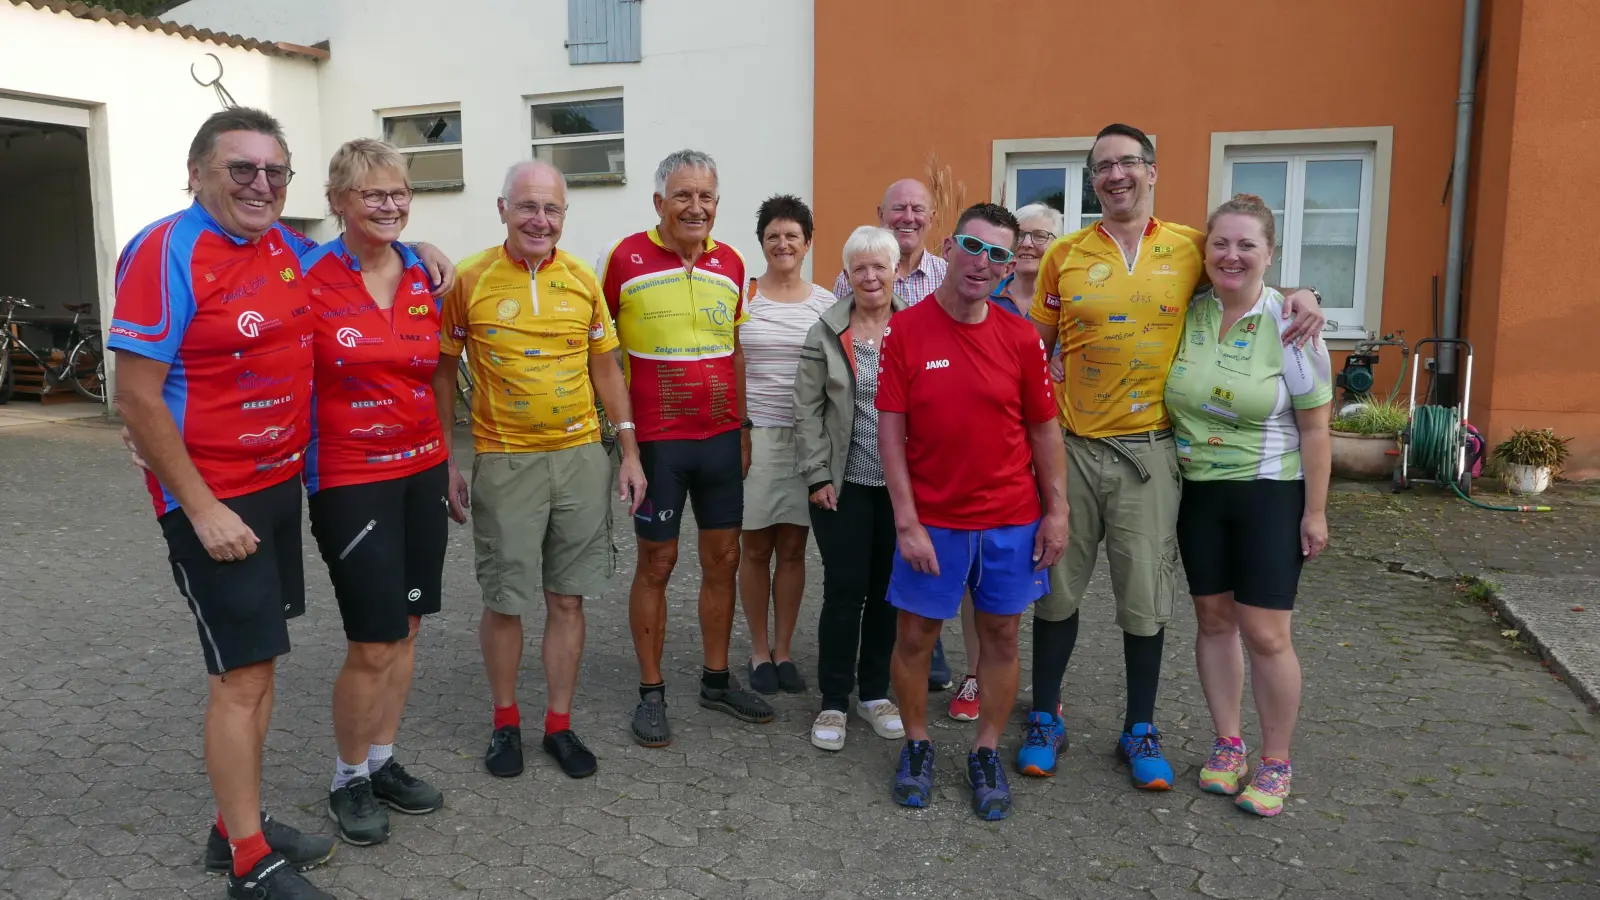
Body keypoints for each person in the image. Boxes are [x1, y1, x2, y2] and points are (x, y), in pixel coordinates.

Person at [111, 108, 454, 900]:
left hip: (274, 489)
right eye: (241, 170)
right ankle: (246, 862)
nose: (260, 185)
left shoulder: (284, 250)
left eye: (274, 172)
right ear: (197, 172)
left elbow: (358, 251)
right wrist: (198, 506)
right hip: (214, 499)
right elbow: (135, 397)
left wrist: (417, 249)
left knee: (260, 668)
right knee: (240, 677)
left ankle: (235, 825)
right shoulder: (167, 249)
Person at [1024, 123, 1325, 790]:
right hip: (1072, 450)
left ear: (1153, 171)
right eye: (1103, 166)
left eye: (1129, 162)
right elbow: (1031, 353)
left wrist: (1305, 297)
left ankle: (1140, 727)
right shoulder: (1064, 255)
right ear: (1092, 179)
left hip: (1153, 456)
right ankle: (1045, 716)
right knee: (1056, 594)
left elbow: (1246, 272)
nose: (1116, 174)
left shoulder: (1192, 246)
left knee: (1146, 600)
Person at [434, 160, 647, 780]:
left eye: (551, 209)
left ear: (564, 216)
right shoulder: (468, 280)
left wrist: (629, 451)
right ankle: (506, 723)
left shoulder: (582, 279)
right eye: (527, 206)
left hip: (582, 457)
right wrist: (449, 457)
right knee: (505, 601)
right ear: (502, 209)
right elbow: (443, 372)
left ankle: (559, 724)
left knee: (568, 599)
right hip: (504, 460)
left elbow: (607, 367)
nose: (539, 219)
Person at [877, 203, 1067, 820]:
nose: (982, 263)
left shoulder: (1020, 337)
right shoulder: (906, 331)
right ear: (950, 245)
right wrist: (905, 521)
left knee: (1002, 637)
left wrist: (1057, 511)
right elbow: (890, 432)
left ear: (1010, 268)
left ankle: (985, 748)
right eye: (973, 246)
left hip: (1011, 517)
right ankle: (917, 742)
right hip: (934, 519)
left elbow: (1044, 432)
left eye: (998, 255)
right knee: (915, 636)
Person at [298, 139, 450, 846]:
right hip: (351, 478)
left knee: (411, 626)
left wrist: (448, 461)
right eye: (372, 195)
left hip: (421, 472)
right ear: (336, 202)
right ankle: (347, 777)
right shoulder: (304, 275)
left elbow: (435, 374)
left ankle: (384, 760)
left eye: (399, 194)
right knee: (374, 638)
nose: (389, 206)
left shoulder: (424, 269)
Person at [598, 149, 774, 747]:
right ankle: (651, 691)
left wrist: (745, 427)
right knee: (658, 564)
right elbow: (600, 355)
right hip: (658, 444)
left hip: (722, 438)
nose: (695, 207)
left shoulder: (731, 261)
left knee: (724, 560)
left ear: (717, 206)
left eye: (706, 198)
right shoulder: (624, 258)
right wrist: (621, 441)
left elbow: (737, 350)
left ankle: (717, 680)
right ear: (659, 203)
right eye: (683, 196)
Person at [1164, 194, 1331, 816]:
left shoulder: (1293, 323)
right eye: (1220, 244)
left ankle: (1276, 759)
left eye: (1246, 245)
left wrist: (1315, 512)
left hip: (1269, 491)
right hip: (1198, 492)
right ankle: (1228, 744)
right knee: (1212, 620)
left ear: (1269, 254)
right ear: (1204, 251)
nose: (1231, 255)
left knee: (1265, 631)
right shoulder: (1189, 313)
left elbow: (1317, 429)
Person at [830, 178, 959, 693]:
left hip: (924, 452)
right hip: (859, 461)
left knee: (918, 560)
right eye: (897, 209)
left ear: (931, 217)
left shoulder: (946, 277)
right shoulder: (851, 284)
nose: (907, 216)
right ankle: (857, 682)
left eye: (917, 209)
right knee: (862, 578)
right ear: (880, 213)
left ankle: (925, 650)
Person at [943, 202, 1066, 725]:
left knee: (1036, 590)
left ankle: (1044, 688)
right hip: (981, 470)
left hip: (1054, 451)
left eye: (1045, 236)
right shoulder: (981, 293)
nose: (1035, 245)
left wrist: (1306, 297)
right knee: (982, 581)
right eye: (1028, 235)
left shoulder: (1071, 296)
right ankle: (976, 672)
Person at [793, 225, 909, 751]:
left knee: (889, 594)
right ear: (847, 275)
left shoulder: (919, 327)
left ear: (896, 271)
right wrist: (817, 475)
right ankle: (835, 701)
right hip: (842, 487)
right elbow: (808, 409)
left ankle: (876, 693)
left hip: (903, 488)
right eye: (859, 268)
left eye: (879, 266)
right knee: (845, 593)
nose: (870, 276)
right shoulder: (825, 330)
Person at [737, 195, 835, 695]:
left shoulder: (825, 303)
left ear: (807, 243)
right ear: (762, 242)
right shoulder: (744, 297)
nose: (782, 244)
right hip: (755, 437)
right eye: (773, 235)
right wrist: (738, 430)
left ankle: (784, 650)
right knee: (755, 547)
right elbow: (729, 362)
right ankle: (757, 651)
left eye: (791, 236)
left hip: (806, 440)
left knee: (794, 547)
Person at [990, 203, 1062, 319]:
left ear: (1057, 245)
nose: (1027, 244)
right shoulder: (986, 295)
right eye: (1019, 235)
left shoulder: (1065, 300)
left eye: (1039, 236)